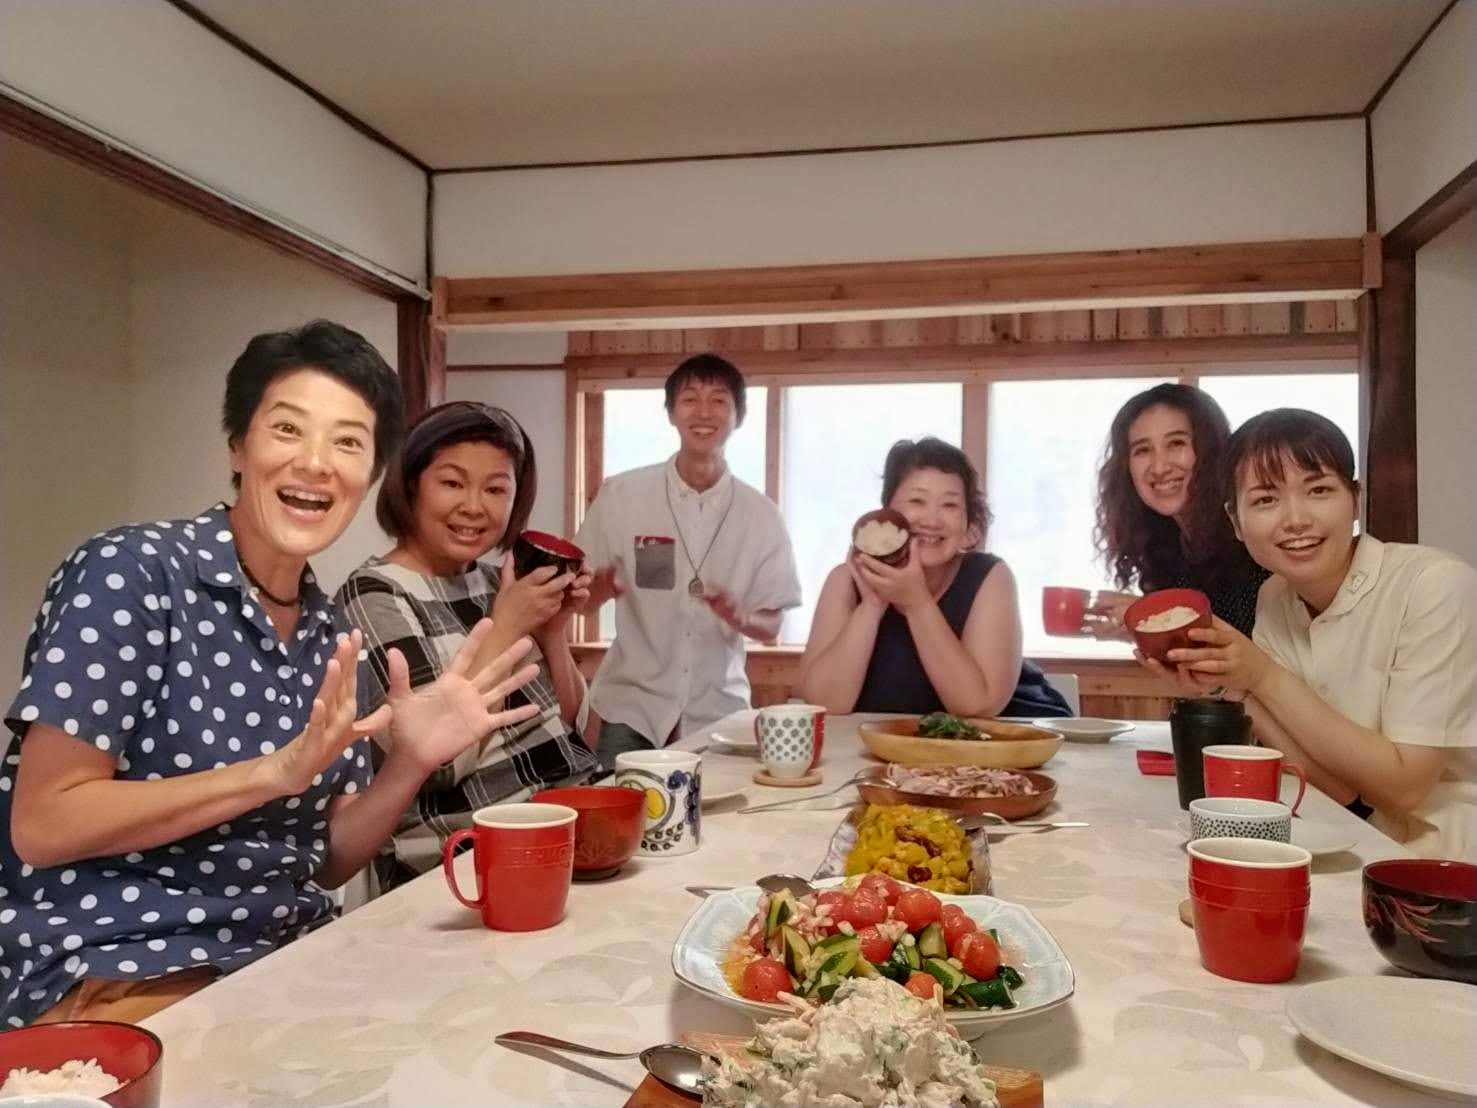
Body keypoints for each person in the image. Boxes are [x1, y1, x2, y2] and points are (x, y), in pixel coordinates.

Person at [0, 321, 539, 1028]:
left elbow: (325, 860)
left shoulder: (329, 633)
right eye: (288, 429)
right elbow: (43, 822)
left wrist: (407, 765)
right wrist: (269, 773)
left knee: (490, 1017)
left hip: (287, 961)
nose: (315, 463)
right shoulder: (133, 573)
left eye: (347, 442)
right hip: (120, 968)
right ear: (238, 444)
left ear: (370, 474)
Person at [1155, 409, 1476, 860]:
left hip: (1450, 859)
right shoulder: (1274, 597)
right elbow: (1336, 787)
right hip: (1355, 841)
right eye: (1266, 499)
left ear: (1356, 500)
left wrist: (1262, 675)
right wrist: (1226, 684)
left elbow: (1406, 787)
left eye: (1319, 490)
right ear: (1235, 521)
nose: (1296, 519)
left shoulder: (1434, 585)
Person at [337, 401, 599, 893]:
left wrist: (553, 631)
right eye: (453, 483)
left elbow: (574, 731)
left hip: (569, 831)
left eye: (495, 489)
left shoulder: (495, 580)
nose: (474, 507)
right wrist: (505, 627)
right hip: (469, 862)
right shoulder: (374, 595)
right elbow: (434, 767)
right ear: (410, 485)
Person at [577, 354, 801, 766]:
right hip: (629, 708)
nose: (703, 412)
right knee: (617, 808)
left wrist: (741, 616)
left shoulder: (762, 515)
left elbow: (772, 625)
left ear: (738, 416)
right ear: (671, 412)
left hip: (719, 713)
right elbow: (579, 600)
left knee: (719, 810)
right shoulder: (622, 495)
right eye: (690, 399)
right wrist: (600, 590)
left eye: (719, 400)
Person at [799, 437, 1070, 720]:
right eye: (917, 501)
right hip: (878, 745)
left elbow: (978, 706)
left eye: (950, 505)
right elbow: (824, 703)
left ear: (967, 522)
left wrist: (917, 603)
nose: (932, 520)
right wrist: (871, 606)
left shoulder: (991, 576)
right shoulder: (846, 580)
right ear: (886, 512)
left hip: (1007, 737)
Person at [1088, 383, 1267, 637]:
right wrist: (1138, 631)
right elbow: (1197, 647)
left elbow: (1259, 647)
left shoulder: (1251, 535)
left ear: (1210, 451)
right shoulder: (1165, 547)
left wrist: (1156, 615)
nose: (1159, 467)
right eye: (1143, 450)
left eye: (1176, 443)